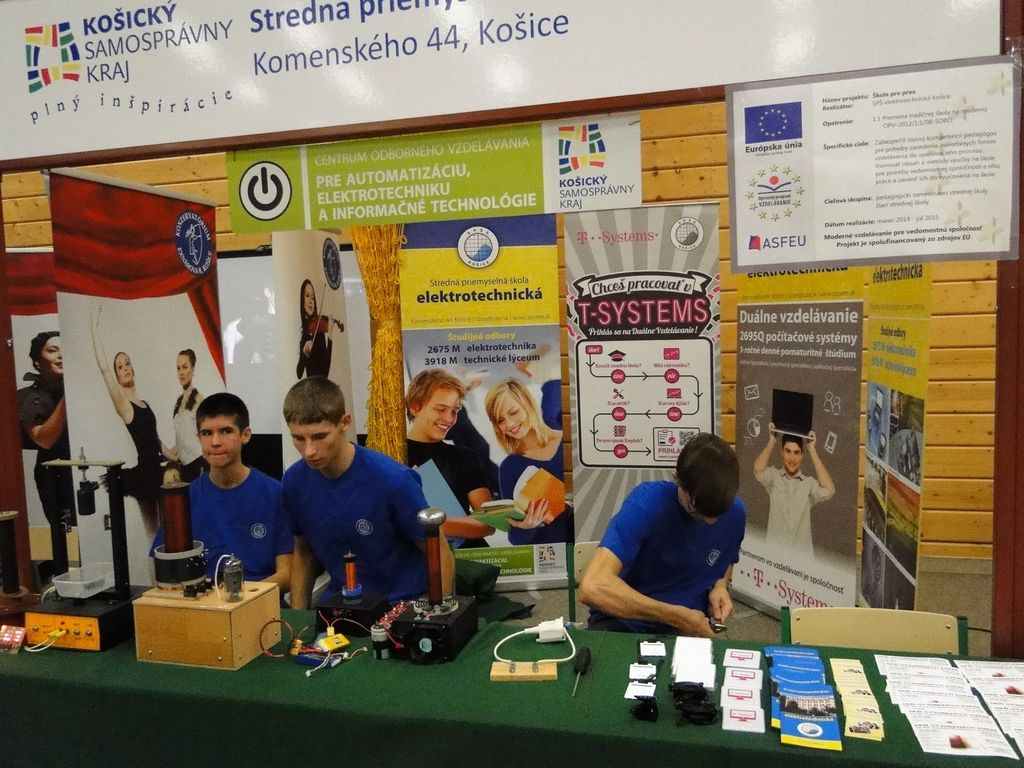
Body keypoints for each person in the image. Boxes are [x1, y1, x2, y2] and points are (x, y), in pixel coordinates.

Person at [282, 376, 452, 607]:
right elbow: (303, 551)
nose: (309, 450)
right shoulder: (293, 482)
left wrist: (439, 615)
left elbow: (439, 552)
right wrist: (299, 618)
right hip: (341, 606)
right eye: (299, 438)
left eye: (320, 436)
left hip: (402, 605)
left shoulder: (393, 480)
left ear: (345, 422)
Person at [579, 433, 745, 638]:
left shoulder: (735, 513)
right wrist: (675, 616)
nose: (711, 521)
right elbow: (593, 587)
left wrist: (720, 586)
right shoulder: (647, 504)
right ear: (677, 480)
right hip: (626, 624)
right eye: (697, 510)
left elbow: (725, 558)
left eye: (718, 512)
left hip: (686, 629)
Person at [152, 393, 292, 588]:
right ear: (198, 438)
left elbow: (287, 573)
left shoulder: (275, 494)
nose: (215, 442)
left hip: (260, 600)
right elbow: (163, 570)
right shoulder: (185, 500)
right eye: (207, 433)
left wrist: (242, 597)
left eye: (225, 431)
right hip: (203, 601)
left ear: (245, 435)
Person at [91, 309, 173, 540]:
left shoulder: (145, 404)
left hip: (159, 470)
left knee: (169, 531)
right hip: (144, 476)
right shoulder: (124, 406)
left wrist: (175, 454)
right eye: (120, 366)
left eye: (127, 363)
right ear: (117, 376)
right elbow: (104, 369)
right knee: (154, 535)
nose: (125, 367)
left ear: (133, 368)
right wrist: (94, 326)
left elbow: (154, 438)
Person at [405, 369, 493, 547]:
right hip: (415, 559)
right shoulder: (392, 456)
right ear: (415, 407)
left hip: (467, 558)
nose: (449, 419)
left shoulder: (465, 457)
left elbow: (489, 523)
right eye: (440, 409)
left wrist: (437, 525)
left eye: (454, 411)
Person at [484, 378, 568, 546]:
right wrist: (526, 527)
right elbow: (515, 538)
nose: (509, 424)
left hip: (586, 547)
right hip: (548, 554)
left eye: (513, 412)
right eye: (500, 420)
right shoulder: (509, 467)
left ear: (527, 403)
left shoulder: (569, 442)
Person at [17, 331, 75, 529]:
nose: (61, 355)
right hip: (53, 474)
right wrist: (68, 395)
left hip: (82, 467)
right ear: (37, 362)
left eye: (64, 350)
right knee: (65, 533)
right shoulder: (28, 397)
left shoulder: (81, 389)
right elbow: (44, 440)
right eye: (52, 350)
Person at [752, 423, 835, 553]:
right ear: (782, 452)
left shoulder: (809, 483)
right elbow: (758, 470)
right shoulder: (774, 477)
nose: (792, 458)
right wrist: (772, 441)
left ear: (802, 455)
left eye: (796, 453)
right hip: (774, 555)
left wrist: (812, 449)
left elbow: (829, 490)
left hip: (800, 558)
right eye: (788, 451)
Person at [171, 349, 208, 482]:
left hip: (199, 464)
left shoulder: (200, 401)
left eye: (185, 367)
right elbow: (180, 443)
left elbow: (206, 438)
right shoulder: (177, 403)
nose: (181, 372)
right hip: (184, 468)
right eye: (178, 368)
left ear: (193, 369)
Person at [296, 279, 343, 379]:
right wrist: (304, 353)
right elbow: (299, 374)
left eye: (313, 298)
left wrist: (330, 336)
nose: (310, 301)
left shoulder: (319, 333)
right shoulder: (304, 336)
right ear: (302, 300)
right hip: (311, 387)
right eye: (307, 296)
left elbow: (325, 372)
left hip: (322, 386)